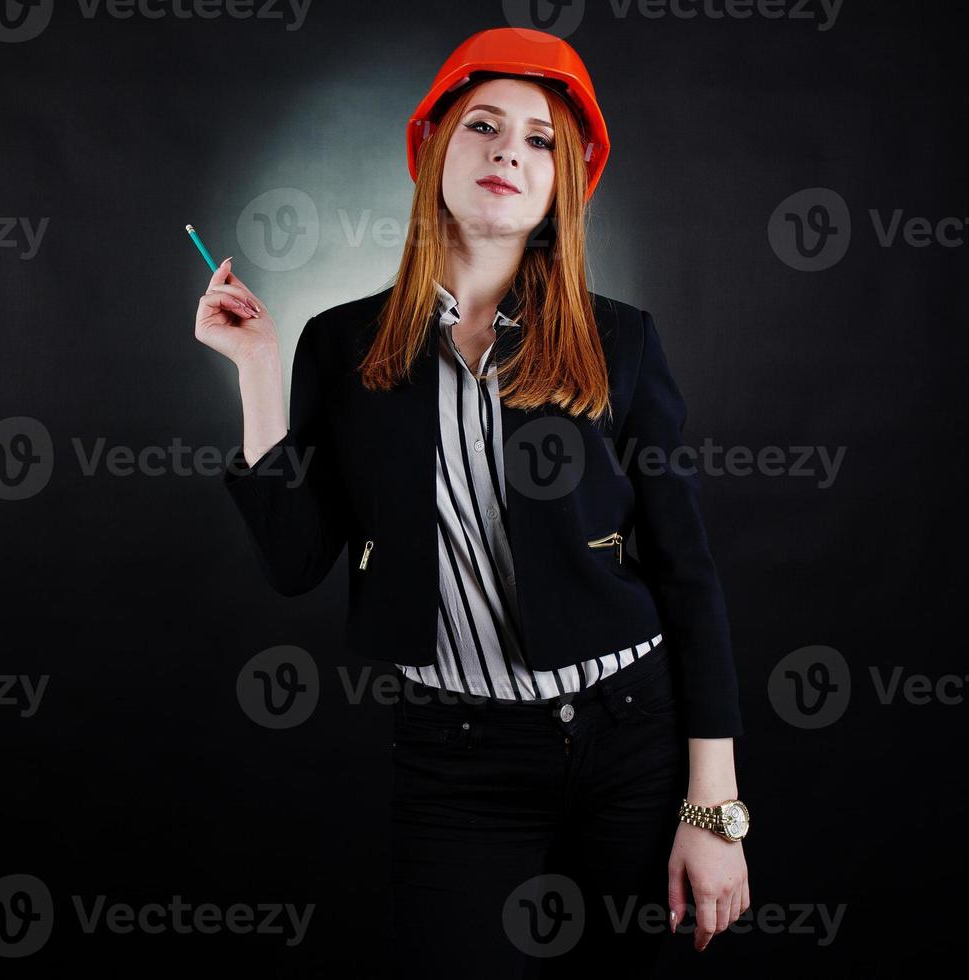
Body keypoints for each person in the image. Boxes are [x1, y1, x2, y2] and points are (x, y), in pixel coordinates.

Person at [195, 26, 752, 978]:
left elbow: (688, 576)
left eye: (540, 140)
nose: (508, 150)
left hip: (634, 739)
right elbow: (294, 566)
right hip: (457, 755)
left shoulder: (622, 342)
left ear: (562, 185)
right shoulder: (340, 346)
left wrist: (712, 810)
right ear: (433, 150)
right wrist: (254, 372)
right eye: (483, 124)